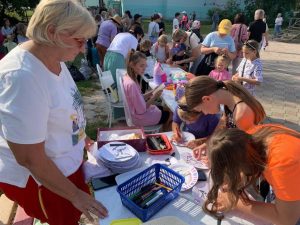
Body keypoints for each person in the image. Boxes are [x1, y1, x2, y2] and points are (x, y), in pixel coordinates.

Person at [0, 0, 108, 225]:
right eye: (79, 40)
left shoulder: (53, 58)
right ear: (52, 32)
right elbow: (30, 158)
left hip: (64, 166)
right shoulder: (22, 76)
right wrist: (75, 195)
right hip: (41, 180)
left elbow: (65, 108)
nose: (82, 48)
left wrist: (82, 137)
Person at [204, 125, 300, 225]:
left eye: (228, 175)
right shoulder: (250, 136)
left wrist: (235, 202)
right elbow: (253, 164)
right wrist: (235, 183)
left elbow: (286, 220)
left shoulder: (282, 164)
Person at [184, 76, 265, 131]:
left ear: (207, 99)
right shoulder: (228, 99)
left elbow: (249, 146)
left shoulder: (241, 115)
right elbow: (223, 121)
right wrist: (207, 142)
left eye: (201, 110)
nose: (204, 113)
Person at [122, 51, 170, 127]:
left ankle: (161, 131)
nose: (144, 68)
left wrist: (152, 92)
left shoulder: (128, 77)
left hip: (135, 114)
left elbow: (138, 97)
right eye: (141, 66)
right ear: (131, 65)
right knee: (170, 114)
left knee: (165, 108)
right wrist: (155, 97)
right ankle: (163, 135)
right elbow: (142, 110)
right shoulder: (132, 84)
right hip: (139, 118)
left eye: (145, 65)